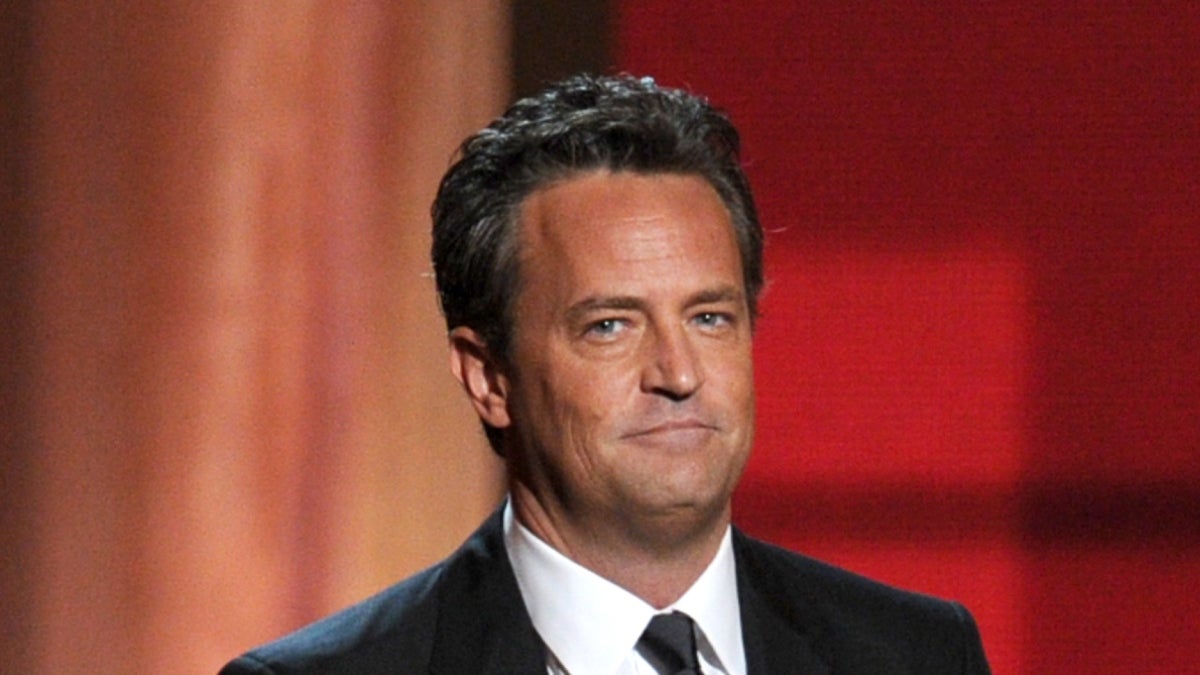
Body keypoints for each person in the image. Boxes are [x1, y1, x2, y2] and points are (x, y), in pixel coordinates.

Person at [221, 73, 991, 674]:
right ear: (488, 377)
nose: (678, 374)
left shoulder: (918, 655)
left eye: (709, 317)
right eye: (610, 326)